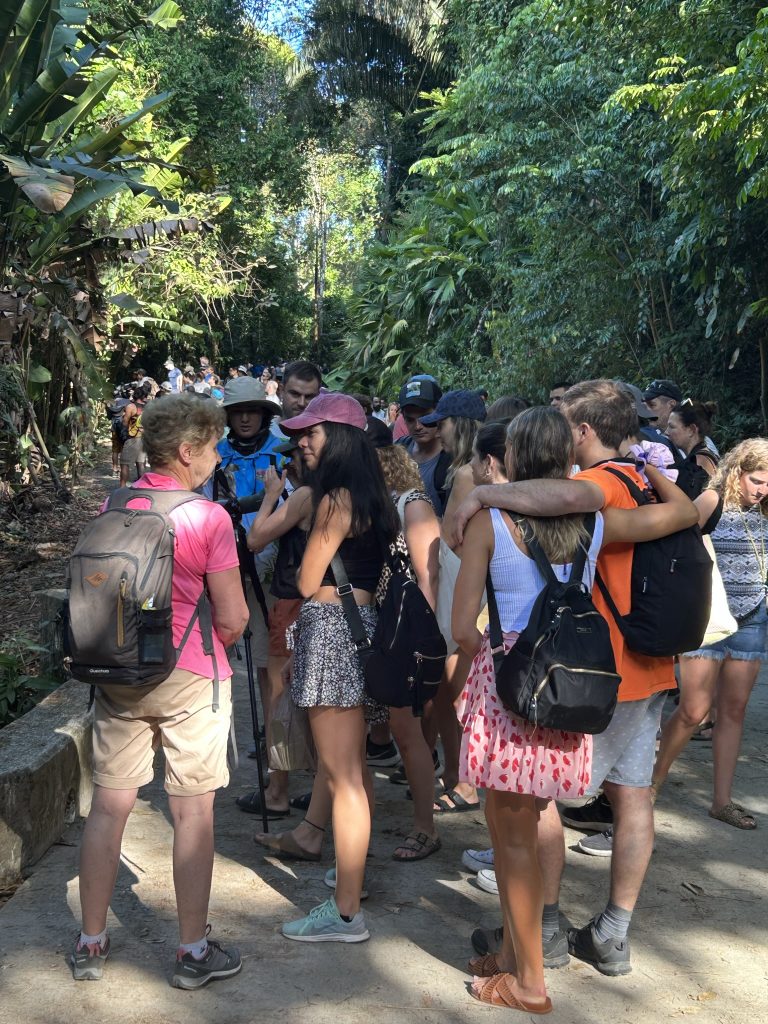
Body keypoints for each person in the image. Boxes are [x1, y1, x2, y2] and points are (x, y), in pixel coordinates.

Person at [452, 404, 696, 1010]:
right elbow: (687, 512)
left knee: (512, 840)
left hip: (509, 689)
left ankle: (529, 982)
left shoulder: (489, 521)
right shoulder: (597, 523)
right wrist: (650, 464)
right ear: (567, 459)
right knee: (521, 828)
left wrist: (493, 650)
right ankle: (511, 956)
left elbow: (461, 629)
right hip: (562, 690)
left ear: (511, 460)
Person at [72, 393, 248, 988]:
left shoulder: (114, 503)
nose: (218, 455)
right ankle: (192, 953)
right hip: (191, 676)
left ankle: (90, 943)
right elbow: (232, 617)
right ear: (187, 451)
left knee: (109, 805)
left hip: (118, 675)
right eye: (213, 446)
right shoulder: (208, 517)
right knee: (193, 811)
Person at [277, 393, 399, 942]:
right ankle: (352, 882)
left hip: (330, 630)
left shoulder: (334, 500)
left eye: (312, 433)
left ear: (341, 438)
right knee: (355, 772)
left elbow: (306, 582)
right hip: (363, 629)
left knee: (342, 776)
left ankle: (346, 913)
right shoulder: (378, 496)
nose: (302, 442)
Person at [652, 438, 768, 828]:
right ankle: (648, 787)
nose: (762, 490)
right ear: (737, 471)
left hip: (753, 619)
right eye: (756, 480)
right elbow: (680, 553)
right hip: (708, 619)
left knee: (732, 712)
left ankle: (722, 801)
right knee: (693, 711)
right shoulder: (711, 501)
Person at [209, 376, 286, 817]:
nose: (244, 417)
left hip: (268, 567)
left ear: (263, 413)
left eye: (251, 410)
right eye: (237, 411)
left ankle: (271, 738)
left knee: (266, 662)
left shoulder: (282, 453)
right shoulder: (212, 455)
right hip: (220, 563)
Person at [367, 416, 442, 860]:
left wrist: (428, 645)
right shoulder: (376, 502)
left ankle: (425, 828)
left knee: (409, 731)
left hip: (408, 633)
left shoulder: (412, 503)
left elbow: (428, 580)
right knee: (402, 729)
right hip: (382, 627)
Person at [419, 388, 487, 813]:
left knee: (448, 690)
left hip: (458, 582)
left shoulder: (465, 474)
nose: (434, 429)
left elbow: (452, 536)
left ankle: (462, 780)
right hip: (470, 582)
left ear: (458, 426)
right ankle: (455, 775)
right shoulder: (477, 469)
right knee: (453, 689)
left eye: (441, 422)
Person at [396, 376, 451, 515]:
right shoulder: (398, 450)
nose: (418, 426)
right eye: (410, 420)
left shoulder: (454, 458)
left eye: (425, 417)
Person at [666, 400, 719, 497]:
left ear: (691, 430)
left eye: (671, 427)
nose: (666, 432)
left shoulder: (694, 465)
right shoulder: (709, 456)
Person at [271, 360, 323, 441]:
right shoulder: (264, 434)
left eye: (309, 396)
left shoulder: (325, 439)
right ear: (281, 391)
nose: (301, 403)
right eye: (295, 394)